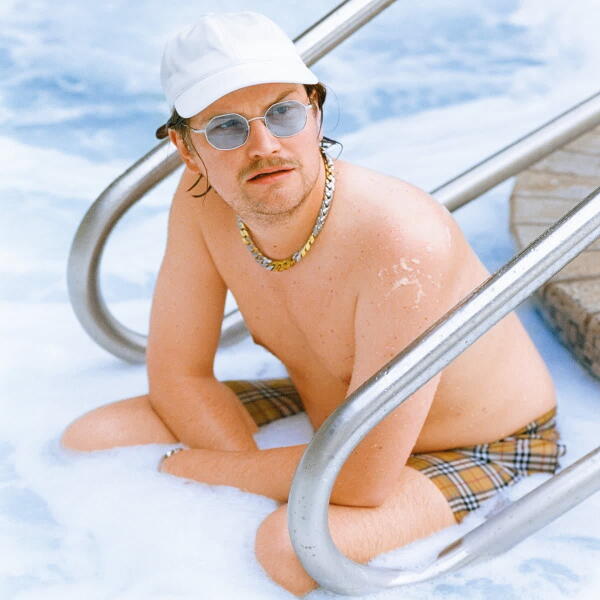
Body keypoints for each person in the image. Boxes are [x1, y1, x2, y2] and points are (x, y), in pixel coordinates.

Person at [61, 11, 566, 596]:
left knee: (289, 549)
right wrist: (238, 476)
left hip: (483, 446)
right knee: (93, 436)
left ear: (316, 111)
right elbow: (179, 375)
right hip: (337, 423)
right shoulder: (203, 203)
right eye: (225, 129)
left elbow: (363, 479)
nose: (264, 146)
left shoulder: (399, 238)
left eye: (283, 114)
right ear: (187, 149)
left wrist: (207, 470)